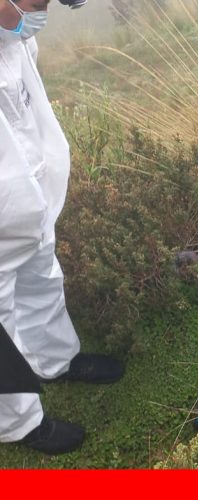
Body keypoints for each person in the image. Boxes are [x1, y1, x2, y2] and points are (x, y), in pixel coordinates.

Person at [0, 0, 123, 456]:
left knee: (42, 278)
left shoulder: (15, 41)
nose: (40, 14)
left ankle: (55, 360)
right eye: (34, 4)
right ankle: (19, 423)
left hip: (27, 207)